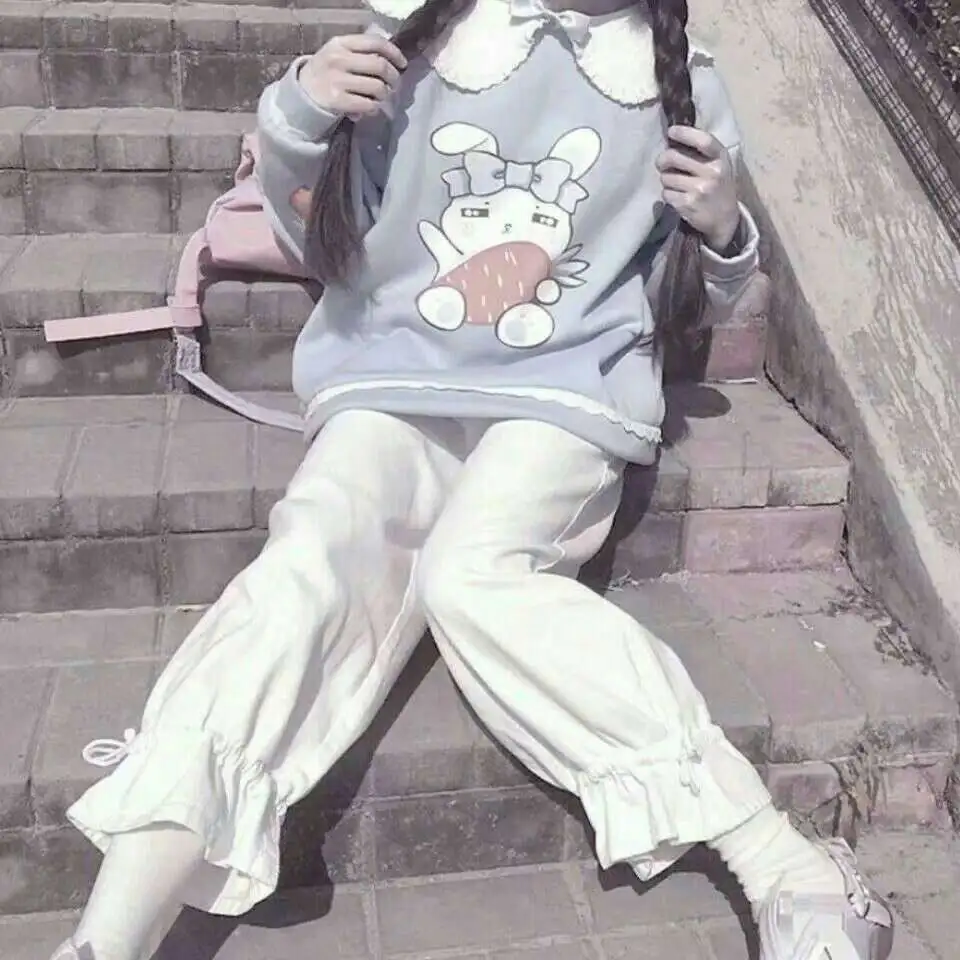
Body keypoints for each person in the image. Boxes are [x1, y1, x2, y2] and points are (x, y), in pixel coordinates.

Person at [51, 0, 894, 958]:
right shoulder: (415, 35)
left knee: (474, 575)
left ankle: (783, 863)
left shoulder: (682, 77)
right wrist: (297, 113)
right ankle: (105, 938)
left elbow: (702, 295)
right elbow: (314, 229)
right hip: (391, 373)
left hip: (566, 390)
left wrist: (725, 228)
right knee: (308, 565)